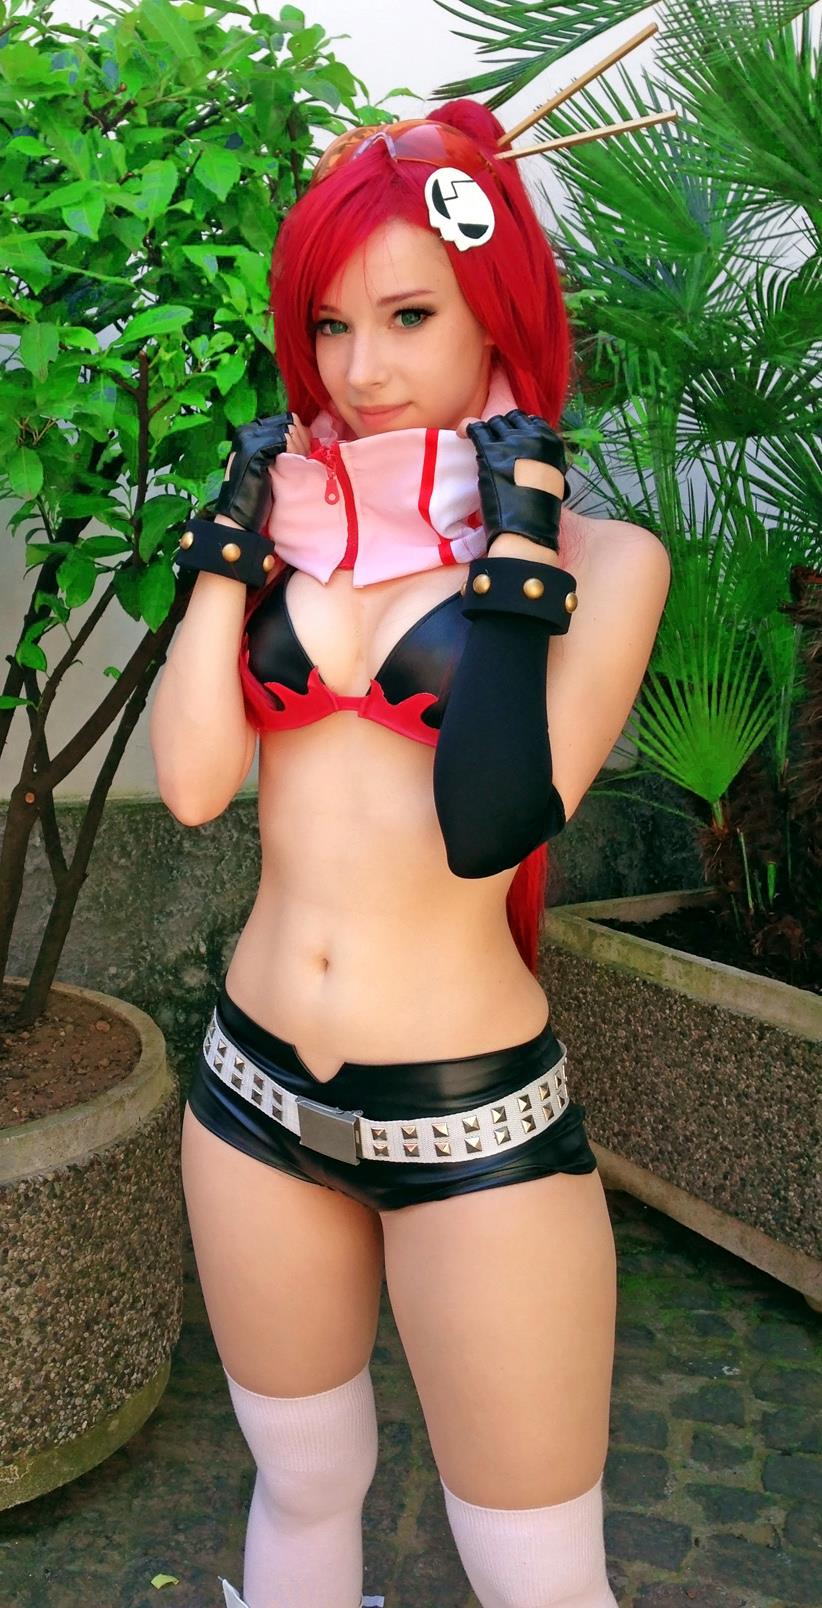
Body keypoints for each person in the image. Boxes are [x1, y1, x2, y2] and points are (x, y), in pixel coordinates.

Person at [149, 98, 670, 1608]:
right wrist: (228, 555)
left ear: (496, 311)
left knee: (533, 1571)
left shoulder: (608, 562)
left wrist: (517, 552)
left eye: (407, 315)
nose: (359, 371)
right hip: (251, 1091)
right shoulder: (293, 533)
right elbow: (192, 787)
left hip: (473, 1128)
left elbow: (489, 820)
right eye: (328, 326)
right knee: (303, 1484)